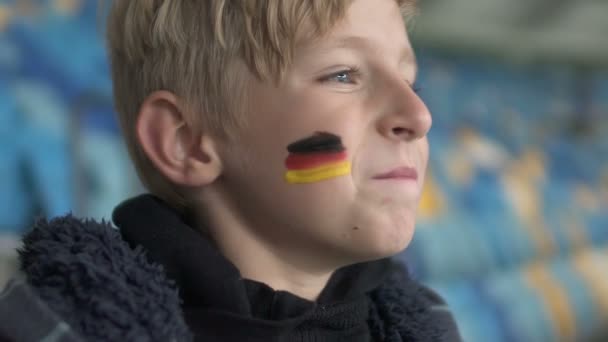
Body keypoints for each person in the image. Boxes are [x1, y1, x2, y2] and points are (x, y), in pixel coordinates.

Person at [0, 0, 462, 341]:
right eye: (343, 75)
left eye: (409, 80)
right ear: (185, 142)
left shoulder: (429, 325)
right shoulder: (52, 328)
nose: (418, 114)